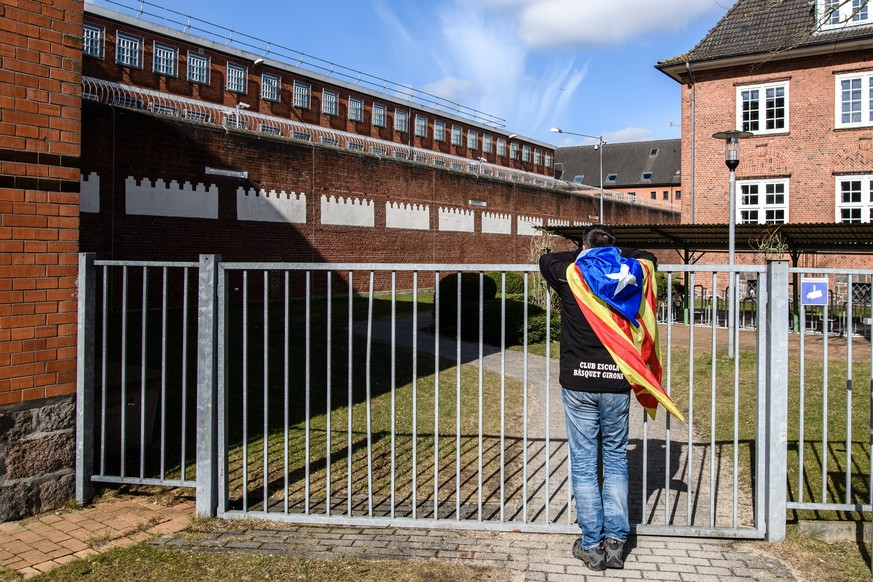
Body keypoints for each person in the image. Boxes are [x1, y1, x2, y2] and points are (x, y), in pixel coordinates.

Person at [539, 224, 681, 571]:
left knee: (585, 463)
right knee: (616, 460)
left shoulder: (572, 275)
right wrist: (613, 255)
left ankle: (591, 545)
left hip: (577, 381)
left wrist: (586, 254)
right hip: (616, 380)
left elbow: (547, 259)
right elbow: (648, 257)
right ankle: (616, 542)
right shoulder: (632, 275)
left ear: (585, 250)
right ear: (613, 252)